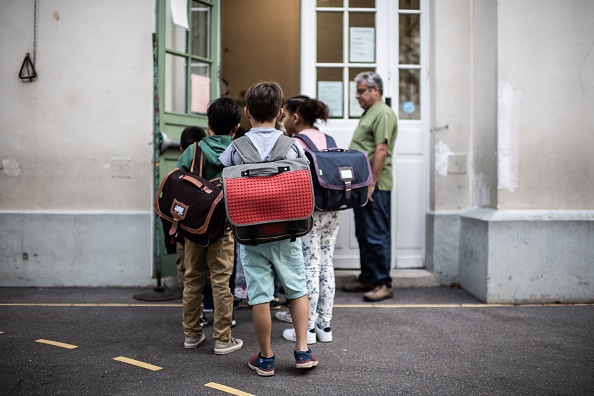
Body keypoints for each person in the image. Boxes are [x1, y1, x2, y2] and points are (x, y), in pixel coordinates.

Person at [219, 81, 318, 376]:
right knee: (297, 289)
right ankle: (302, 351)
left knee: (260, 295)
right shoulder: (292, 147)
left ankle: (266, 357)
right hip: (287, 230)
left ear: (247, 112)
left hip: (250, 233)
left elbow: (225, 174)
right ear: (279, 111)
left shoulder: (235, 149)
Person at [176, 98, 243, 354]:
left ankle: (192, 334)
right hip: (223, 227)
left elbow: (178, 184)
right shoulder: (237, 152)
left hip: (194, 227)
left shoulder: (192, 150)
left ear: (208, 124)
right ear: (236, 127)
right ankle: (223, 339)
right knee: (221, 281)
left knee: (193, 279)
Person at [276, 95, 339, 344]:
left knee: (309, 267)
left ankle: (307, 329)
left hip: (309, 211)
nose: (282, 120)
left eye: (285, 115)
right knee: (326, 265)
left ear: (295, 117)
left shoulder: (296, 144)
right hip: (333, 209)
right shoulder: (329, 139)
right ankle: (324, 325)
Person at [342, 71, 398, 302]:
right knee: (364, 233)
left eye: (362, 90)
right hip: (363, 184)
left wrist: (372, 183)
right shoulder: (370, 113)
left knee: (376, 233)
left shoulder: (383, 113)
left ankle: (383, 282)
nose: (357, 96)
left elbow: (381, 149)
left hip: (375, 185)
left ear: (376, 90)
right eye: (357, 91)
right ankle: (368, 277)